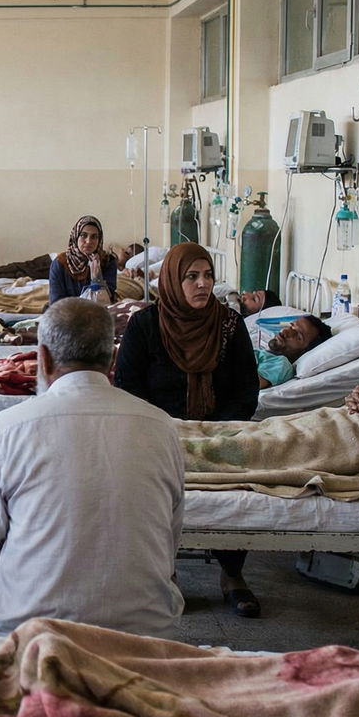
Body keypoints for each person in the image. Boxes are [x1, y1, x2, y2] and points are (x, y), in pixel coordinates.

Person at [0, 298, 184, 637]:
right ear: (112, 359)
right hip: (145, 627)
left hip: (29, 627)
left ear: (42, 358)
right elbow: (170, 542)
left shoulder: (8, 428)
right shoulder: (161, 426)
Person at [115, 241, 260, 617]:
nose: (202, 285)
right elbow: (128, 387)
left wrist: (220, 429)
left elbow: (247, 387)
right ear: (171, 281)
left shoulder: (228, 325)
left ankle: (232, 575)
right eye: (191, 277)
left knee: (239, 479)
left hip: (220, 432)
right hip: (158, 433)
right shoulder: (145, 325)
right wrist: (166, 429)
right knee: (149, 483)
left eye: (208, 275)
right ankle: (166, 571)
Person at [48, 215, 117, 303]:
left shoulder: (107, 261)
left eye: (94, 237)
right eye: (83, 235)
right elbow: (56, 302)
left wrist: (96, 279)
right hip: (66, 313)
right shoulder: (60, 263)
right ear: (76, 237)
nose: (88, 241)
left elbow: (106, 302)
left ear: (99, 240)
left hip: (97, 313)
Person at [256, 315, 332, 388]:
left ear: (304, 352)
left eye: (298, 337)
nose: (285, 331)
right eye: (291, 326)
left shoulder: (281, 365)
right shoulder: (264, 354)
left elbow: (249, 384)